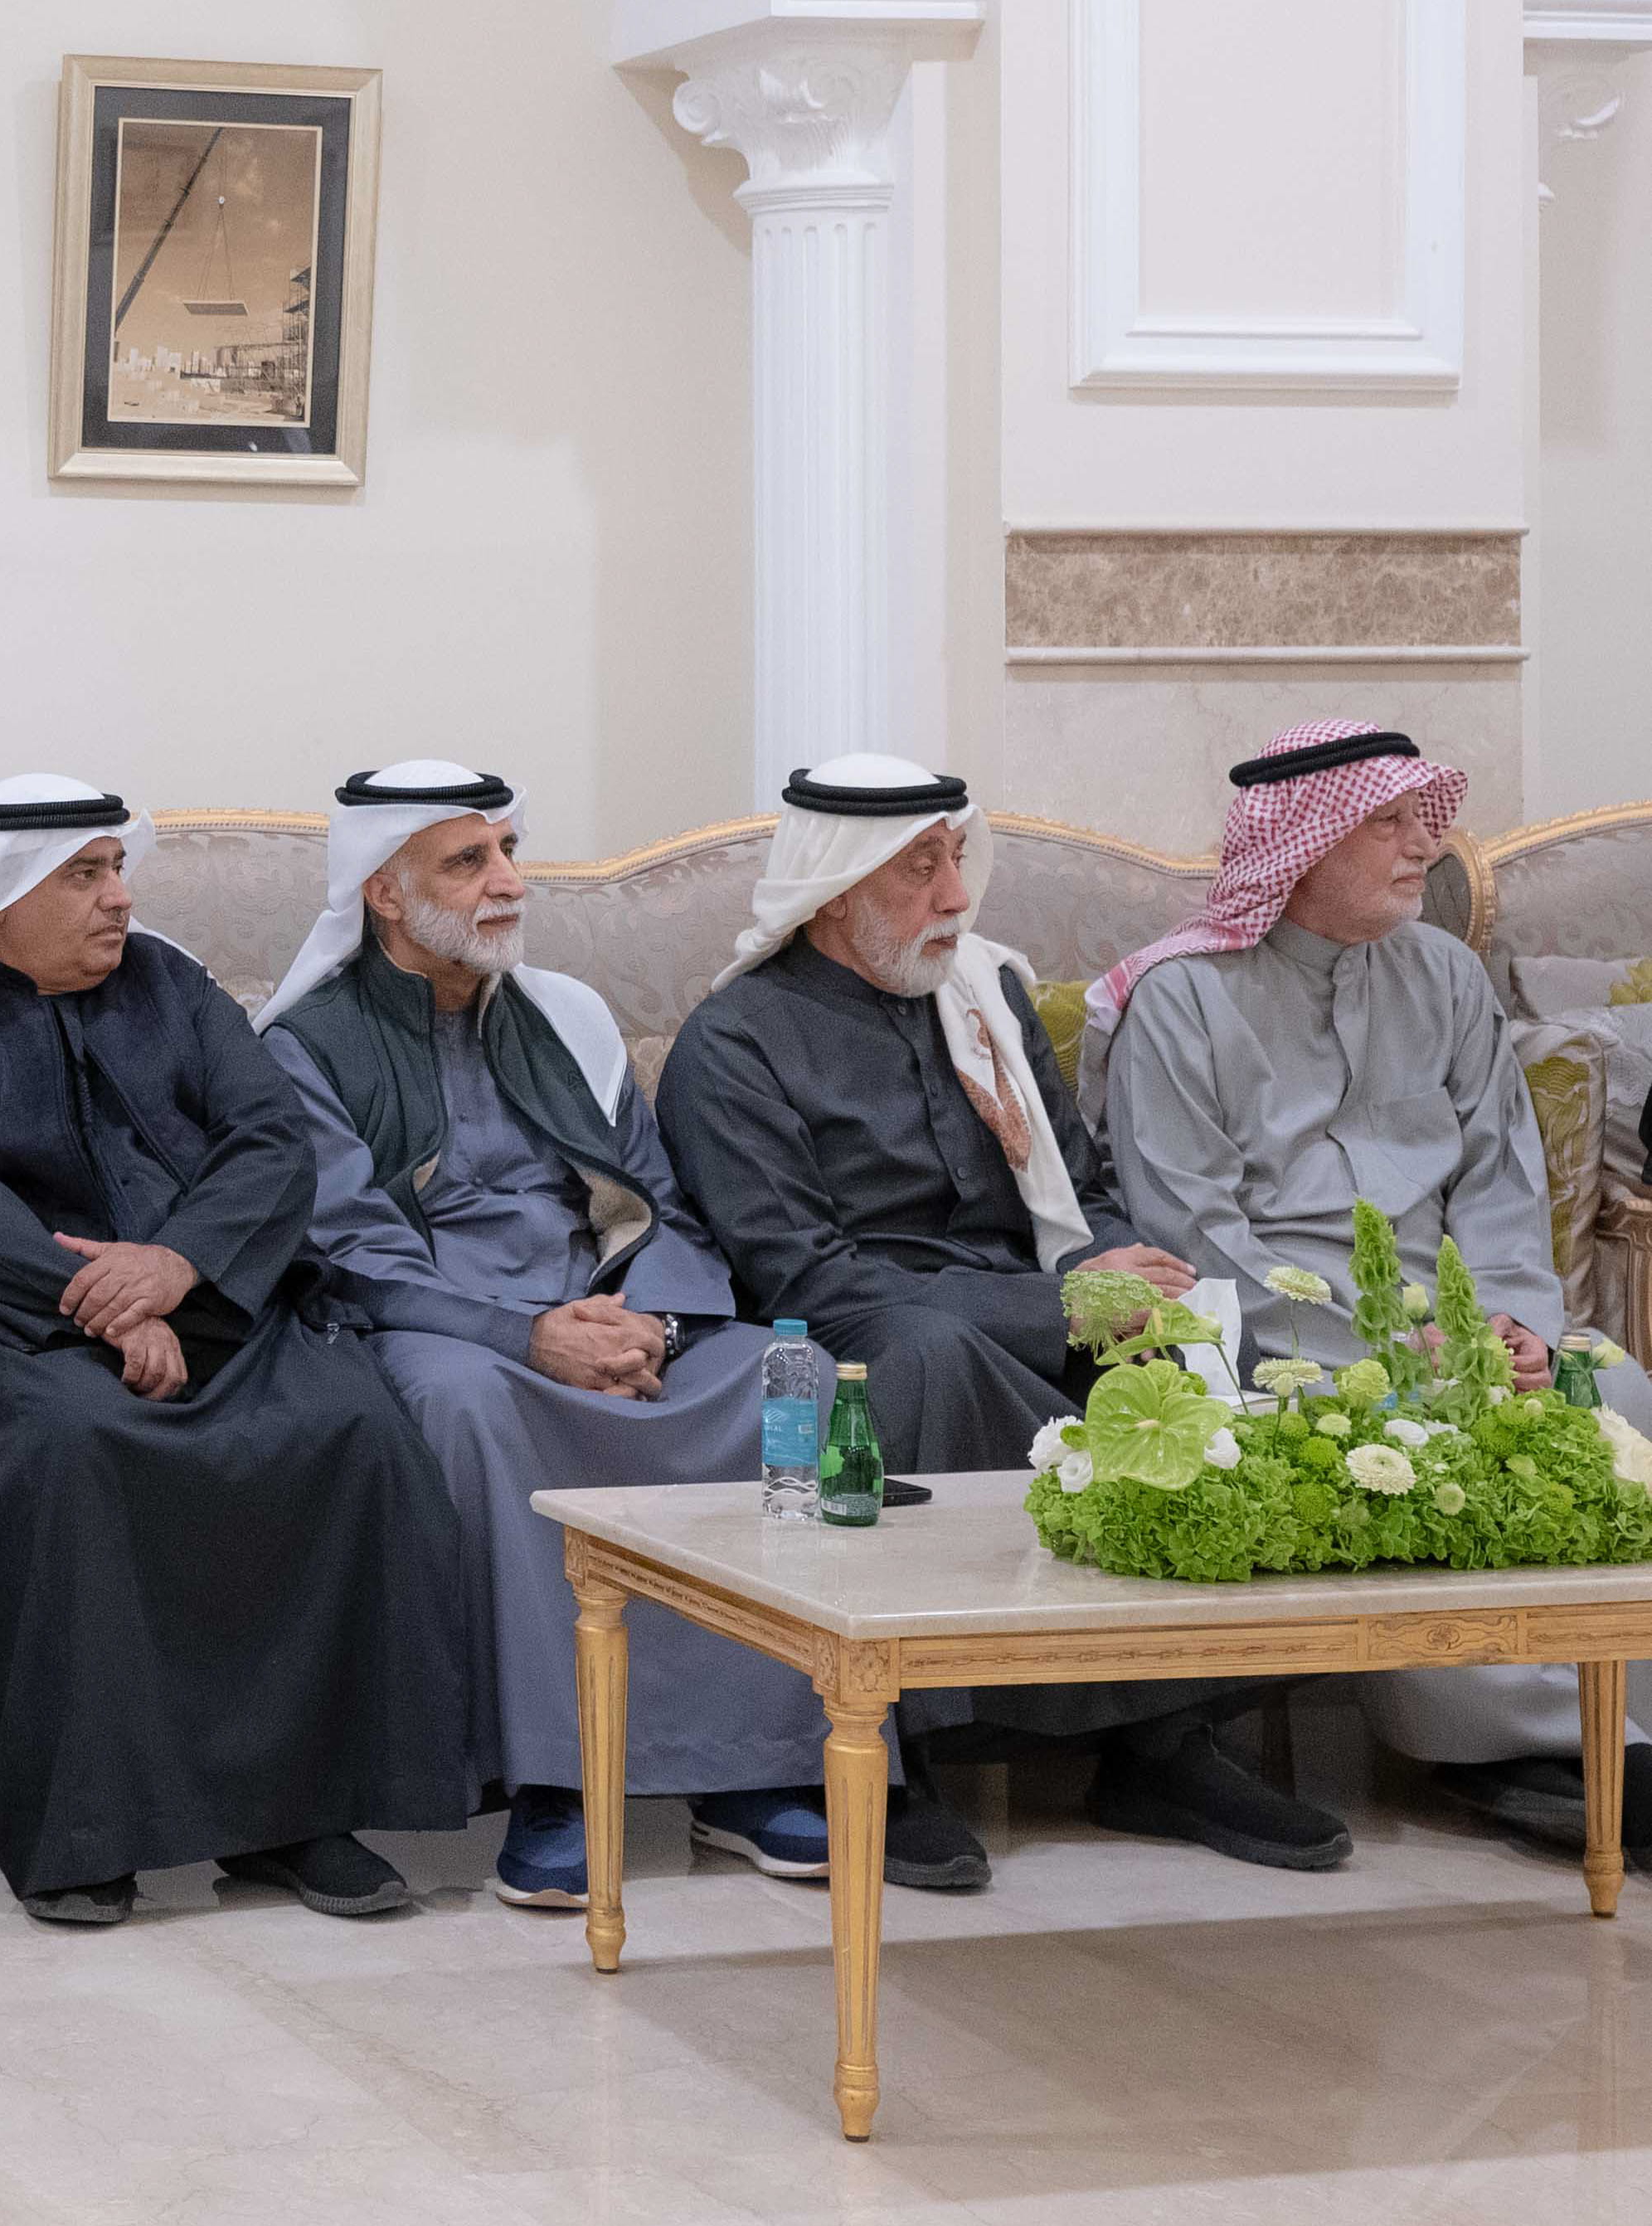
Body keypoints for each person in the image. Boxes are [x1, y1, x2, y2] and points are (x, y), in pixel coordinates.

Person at [0, 775, 481, 1928]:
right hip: (34, 1325)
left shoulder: (172, 985)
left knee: (349, 1428)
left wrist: (175, 1267)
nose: (119, 898)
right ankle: (90, 1828)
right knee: (72, 1451)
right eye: (85, 875)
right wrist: (99, 1300)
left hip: (223, 1303)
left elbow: (271, 1138)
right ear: (1, 895)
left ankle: (302, 1817)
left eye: (117, 870)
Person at [657, 754, 1350, 1877]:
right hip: (865, 1318)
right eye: (916, 870)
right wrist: (1060, 1308)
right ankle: (896, 1760)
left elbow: (1079, 1182)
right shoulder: (733, 1043)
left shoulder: (985, 993)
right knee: (931, 1358)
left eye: (955, 860)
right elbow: (802, 1276)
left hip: (1027, 1292)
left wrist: (1118, 1275)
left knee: (1208, 1343)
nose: (952, 895)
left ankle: (1167, 1741)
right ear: (832, 890)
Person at [257, 763, 840, 1906]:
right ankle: (553, 1782)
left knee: (791, 1374)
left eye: (509, 852)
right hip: (441, 1324)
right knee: (463, 1406)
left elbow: (659, 1199)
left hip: (607, 1305)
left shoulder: (567, 1016)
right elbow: (352, 1252)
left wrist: (653, 1323)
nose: (508, 883)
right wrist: (528, 1338)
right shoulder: (305, 1044)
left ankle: (754, 1764)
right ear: (384, 891)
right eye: (468, 862)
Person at [1099, 720, 1652, 1853]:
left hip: (1463, 1318)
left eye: (1421, 820)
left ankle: (1630, 1719)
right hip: (1290, 1339)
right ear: (1301, 846)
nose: (1423, 847)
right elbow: (1192, 1235)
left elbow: (1500, 1182)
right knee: (1393, 1441)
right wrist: (1396, 1350)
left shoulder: (1443, 975)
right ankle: (1522, 1750)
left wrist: (1510, 1325)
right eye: (1387, 824)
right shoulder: (1181, 998)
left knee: (1616, 1392)